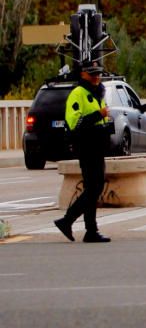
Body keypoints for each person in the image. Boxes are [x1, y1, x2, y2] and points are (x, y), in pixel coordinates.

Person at [53, 61, 112, 243]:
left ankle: (90, 230)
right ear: (83, 75)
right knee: (94, 187)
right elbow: (75, 123)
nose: (96, 77)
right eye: (92, 74)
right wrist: (99, 115)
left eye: (98, 74)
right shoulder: (78, 94)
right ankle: (68, 220)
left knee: (94, 188)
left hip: (97, 146)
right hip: (86, 147)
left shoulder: (96, 93)